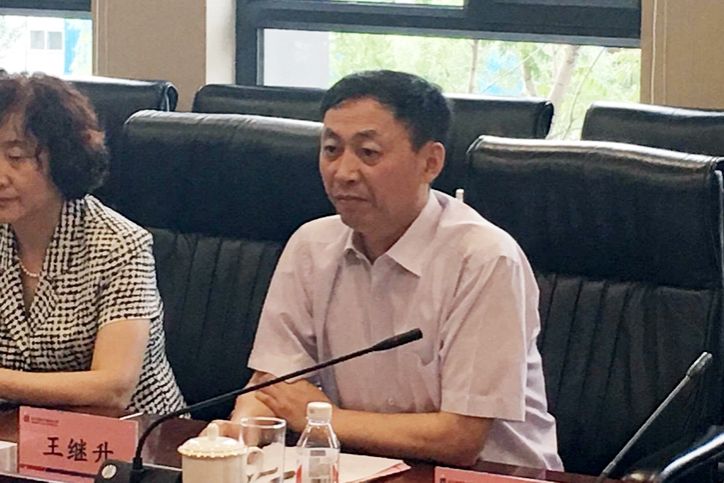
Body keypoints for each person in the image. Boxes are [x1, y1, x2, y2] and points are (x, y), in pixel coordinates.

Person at [230, 70, 562, 469]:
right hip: (360, 469)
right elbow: (271, 386)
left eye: (368, 153)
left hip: (489, 475)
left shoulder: (483, 258)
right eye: (331, 149)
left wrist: (325, 418)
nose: (343, 172)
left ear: (430, 162)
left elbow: (461, 438)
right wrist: (240, 434)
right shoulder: (311, 245)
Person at [0, 72, 185, 414]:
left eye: (16, 156)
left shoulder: (119, 245)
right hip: (17, 433)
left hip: (134, 435)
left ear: (62, 158)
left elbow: (113, 387)